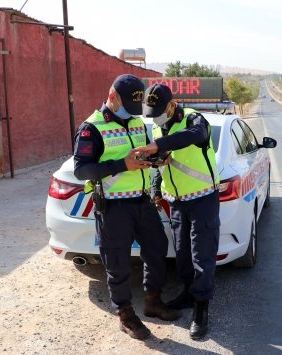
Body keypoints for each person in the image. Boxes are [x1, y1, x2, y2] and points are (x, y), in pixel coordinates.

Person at [73, 74, 180, 341]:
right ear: (112, 97)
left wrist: (155, 159)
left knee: (157, 251)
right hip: (113, 207)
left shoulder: (136, 122)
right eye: (128, 107)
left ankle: (153, 301)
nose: (133, 114)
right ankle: (126, 316)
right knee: (117, 264)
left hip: (143, 202)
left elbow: (139, 153)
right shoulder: (91, 127)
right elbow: (81, 170)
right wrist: (123, 165)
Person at [134, 83, 220, 340]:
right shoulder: (158, 125)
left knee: (201, 255)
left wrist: (158, 145)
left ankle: (201, 309)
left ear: (172, 105)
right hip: (177, 201)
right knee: (182, 253)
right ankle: (187, 293)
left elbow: (195, 136)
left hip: (203, 197)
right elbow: (161, 164)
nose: (156, 117)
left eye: (160, 111)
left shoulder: (195, 119)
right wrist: (155, 185)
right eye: (152, 112)